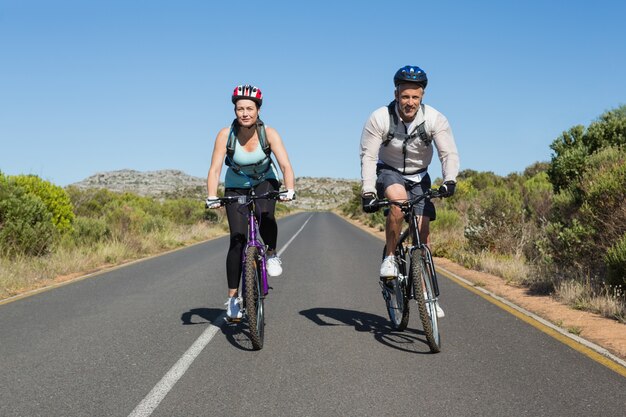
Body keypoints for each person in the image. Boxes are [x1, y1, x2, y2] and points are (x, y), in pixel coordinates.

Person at [359, 65, 460, 318]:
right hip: (389, 171)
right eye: (405, 96)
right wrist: (368, 191)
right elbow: (369, 156)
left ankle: (427, 296)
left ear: (422, 96)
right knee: (398, 203)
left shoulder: (435, 119)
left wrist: (449, 180)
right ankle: (390, 257)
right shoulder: (380, 118)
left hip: (420, 176)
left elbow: (448, 153)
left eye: (415, 97)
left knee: (423, 237)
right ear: (396, 94)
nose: (410, 102)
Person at [206, 84, 295, 320]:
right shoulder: (226, 135)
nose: (245, 113)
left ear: (258, 110)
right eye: (240, 109)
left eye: (249, 108)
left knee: (266, 214)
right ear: (234, 110)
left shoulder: (269, 133)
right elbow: (215, 169)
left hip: (265, 180)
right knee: (237, 240)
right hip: (236, 185)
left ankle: (272, 253)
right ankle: (233, 298)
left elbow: (285, 165)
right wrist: (212, 196)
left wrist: (290, 189)